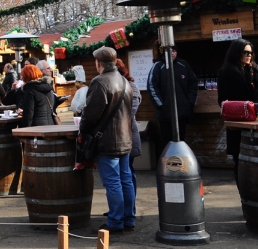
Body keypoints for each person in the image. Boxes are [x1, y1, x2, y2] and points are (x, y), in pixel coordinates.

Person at [79, 47, 134, 234]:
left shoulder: (100, 82)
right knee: (125, 179)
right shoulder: (125, 82)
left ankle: (116, 221)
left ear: (98, 63)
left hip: (107, 141)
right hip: (125, 138)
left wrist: (83, 130)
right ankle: (129, 218)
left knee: (113, 182)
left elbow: (91, 114)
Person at [217, 40, 258, 184]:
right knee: (240, 159)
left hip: (256, 118)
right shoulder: (227, 71)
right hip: (237, 121)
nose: (249, 55)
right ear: (236, 53)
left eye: (250, 52)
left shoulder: (256, 69)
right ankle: (244, 192)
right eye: (245, 52)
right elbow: (222, 99)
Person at [147, 47, 199, 151]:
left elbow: (193, 84)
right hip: (165, 114)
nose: (172, 53)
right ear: (163, 52)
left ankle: (180, 165)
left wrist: (189, 103)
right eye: (169, 51)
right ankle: (167, 165)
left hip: (182, 112)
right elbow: (151, 86)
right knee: (167, 141)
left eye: (174, 51)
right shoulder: (158, 66)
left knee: (181, 140)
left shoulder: (184, 65)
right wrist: (161, 105)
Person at [116, 58, 142, 212]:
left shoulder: (130, 86)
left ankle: (129, 207)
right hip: (119, 136)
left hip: (128, 135)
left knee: (128, 172)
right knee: (120, 174)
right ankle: (120, 206)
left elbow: (132, 110)